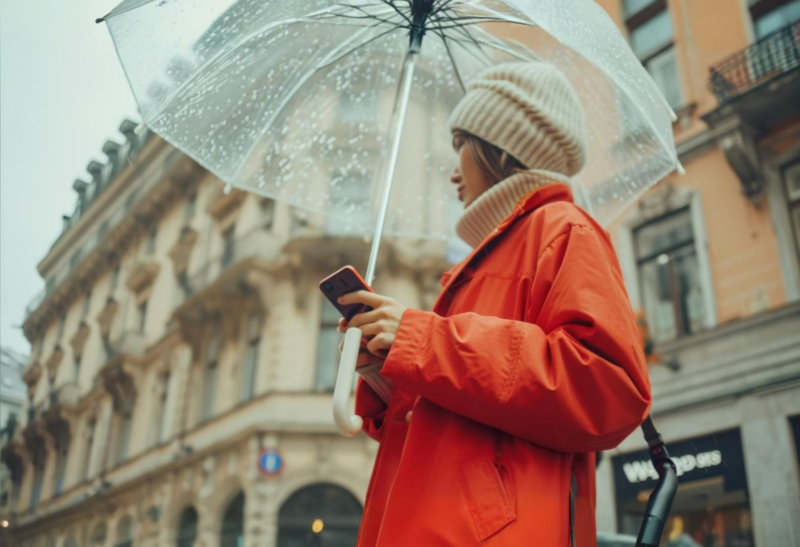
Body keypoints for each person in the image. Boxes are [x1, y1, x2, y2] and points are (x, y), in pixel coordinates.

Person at [337, 61, 652, 546]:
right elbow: (460, 416)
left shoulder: (562, 228)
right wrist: (386, 373)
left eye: (459, 144)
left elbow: (607, 388)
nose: (452, 172)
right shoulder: (478, 263)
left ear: (500, 148)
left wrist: (421, 340)